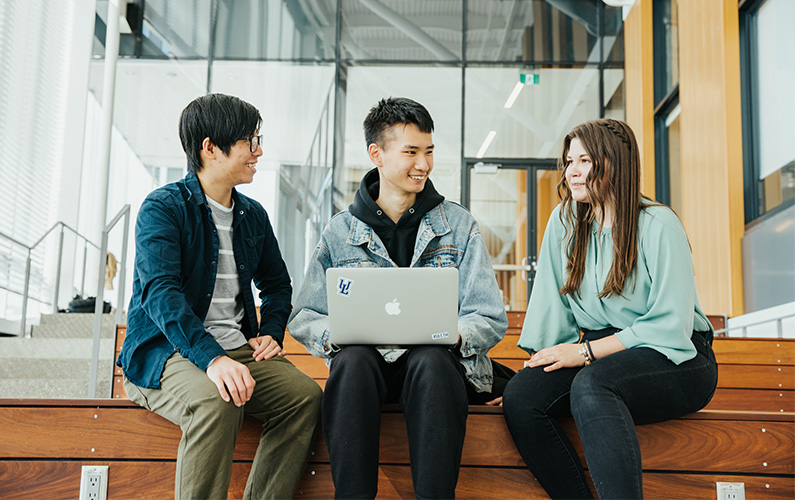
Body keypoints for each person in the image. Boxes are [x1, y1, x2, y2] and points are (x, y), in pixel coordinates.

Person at [287, 97, 508, 498]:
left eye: (428, 152)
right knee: (350, 362)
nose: (422, 164)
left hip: (430, 367)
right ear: (377, 154)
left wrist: (455, 333)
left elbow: (489, 314)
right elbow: (305, 314)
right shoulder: (340, 231)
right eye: (410, 152)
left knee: (434, 362)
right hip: (366, 368)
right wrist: (335, 332)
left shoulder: (458, 225)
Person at [117, 93, 322, 500]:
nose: (258, 151)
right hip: (165, 352)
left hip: (235, 349)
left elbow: (278, 285)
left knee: (305, 397)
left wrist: (272, 331)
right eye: (250, 141)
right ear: (210, 148)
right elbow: (161, 293)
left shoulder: (253, 216)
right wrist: (212, 359)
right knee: (217, 400)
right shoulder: (163, 208)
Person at [501, 118, 718, 499]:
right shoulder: (564, 222)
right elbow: (552, 311)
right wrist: (536, 370)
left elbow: (670, 326)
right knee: (522, 398)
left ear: (615, 162)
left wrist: (585, 353)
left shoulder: (658, 224)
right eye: (569, 161)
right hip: (601, 354)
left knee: (594, 384)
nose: (572, 171)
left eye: (584, 160)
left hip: (677, 356)